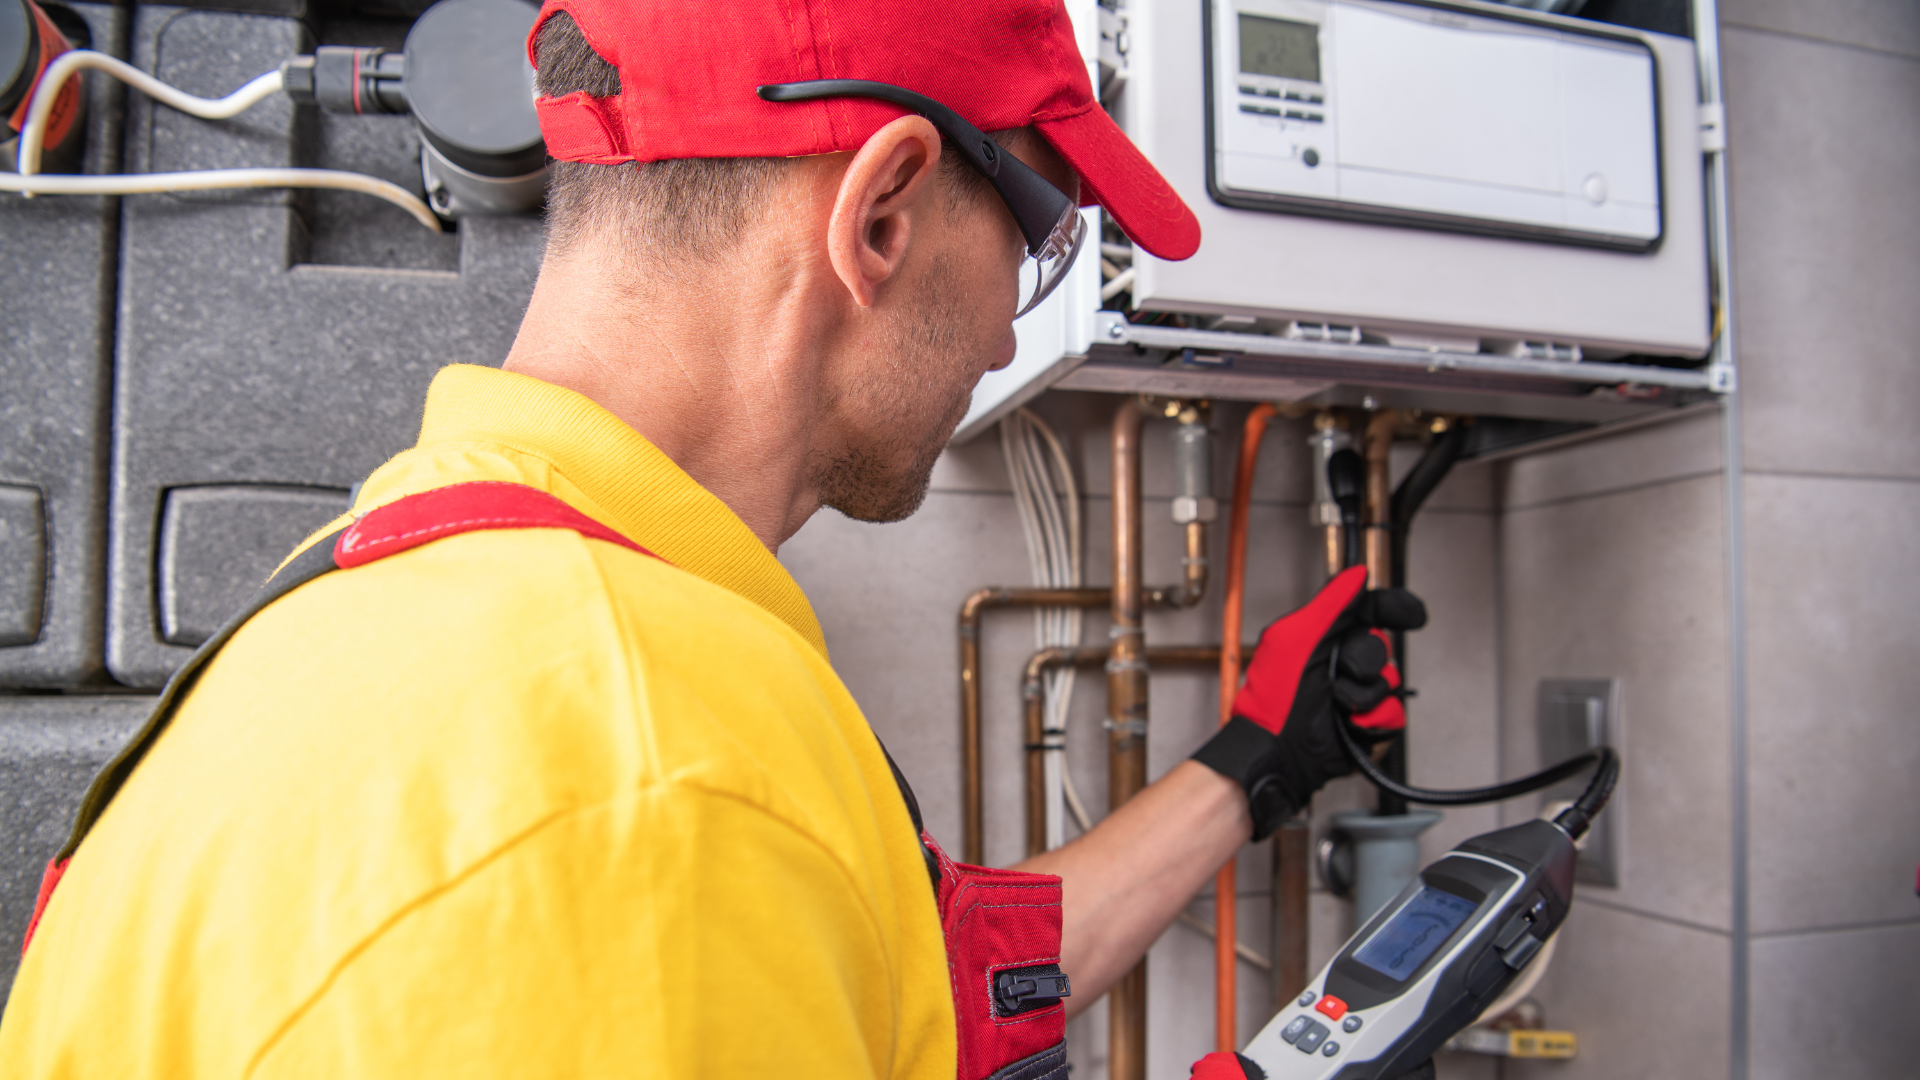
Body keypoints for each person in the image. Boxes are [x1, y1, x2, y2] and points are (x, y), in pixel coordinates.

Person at [0, 1, 1422, 1076]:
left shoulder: (355, 613)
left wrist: (1255, 761)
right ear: (880, 213)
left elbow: (913, 979)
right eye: (1040, 239)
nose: (1005, 328)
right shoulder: (655, 786)